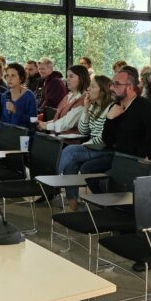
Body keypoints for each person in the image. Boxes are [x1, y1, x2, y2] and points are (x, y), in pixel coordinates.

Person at [57, 75, 113, 211]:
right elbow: (83, 129)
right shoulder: (94, 107)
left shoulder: (111, 108)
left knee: (70, 151)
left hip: (105, 149)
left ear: (103, 91)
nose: (88, 89)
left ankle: (54, 179)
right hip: (94, 147)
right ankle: (73, 207)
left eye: (93, 86)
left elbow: (104, 139)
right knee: (71, 165)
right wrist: (86, 109)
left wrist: (83, 146)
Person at [100, 66, 151, 160]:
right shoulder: (114, 107)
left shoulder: (144, 105)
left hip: (136, 160)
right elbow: (108, 140)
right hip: (117, 156)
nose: (111, 88)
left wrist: (142, 155)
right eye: (111, 84)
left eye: (116, 84)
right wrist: (109, 119)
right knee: (87, 167)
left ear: (129, 87)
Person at [40, 65, 88, 134]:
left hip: (69, 141)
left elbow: (66, 124)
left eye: (71, 76)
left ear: (81, 78)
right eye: (67, 76)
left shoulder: (83, 100)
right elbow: (58, 119)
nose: (67, 79)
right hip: (57, 136)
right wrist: (45, 123)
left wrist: (44, 125)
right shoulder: (68, 96)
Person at [0, 62, 38, 130]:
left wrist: (16, 111)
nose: (9, 79)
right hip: (8, 134)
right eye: (7, 75)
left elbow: (33, 121)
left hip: (24, 135)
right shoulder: (4, 95)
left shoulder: (29, 96)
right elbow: (3, 117)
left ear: (21, 78)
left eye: (13, 75)